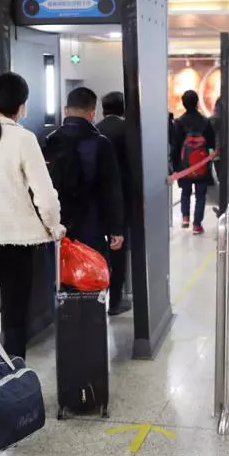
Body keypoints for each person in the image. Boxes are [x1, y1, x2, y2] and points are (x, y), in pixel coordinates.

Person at [0, 72, 64, 357]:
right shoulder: (23, 138)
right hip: (16, 244)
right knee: (15, 321)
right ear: (21, 105)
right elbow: (45, 196)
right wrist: (54, 226)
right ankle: (13, 377)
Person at [43, 86, 124, 257]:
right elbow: (111, 189)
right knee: (92, 269)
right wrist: (116, 228)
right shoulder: (101, 144)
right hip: (91, 225)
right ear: (92, 113)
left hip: (56, 225)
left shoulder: (50, 141)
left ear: (65, 110)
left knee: (60, 268)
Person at [96, 91, 133, 315]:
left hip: (96, 201)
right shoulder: (128, 130)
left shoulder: (95, 130)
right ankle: (116, 300)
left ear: (103, 109)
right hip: (122, 199)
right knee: (119, 249)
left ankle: (95, 301)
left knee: (98, 250)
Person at [171, 89, 216, 234]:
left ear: (183, 104)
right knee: (200, 195)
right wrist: (210, 161)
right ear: (197, 103)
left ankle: (185, 217)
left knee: (185, 191)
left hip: (184, 166)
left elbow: (175, 146)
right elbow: (212, 145)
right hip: (202, 165)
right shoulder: (205, 122)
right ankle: (197, 225)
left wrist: (175, 167)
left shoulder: (179, 122)